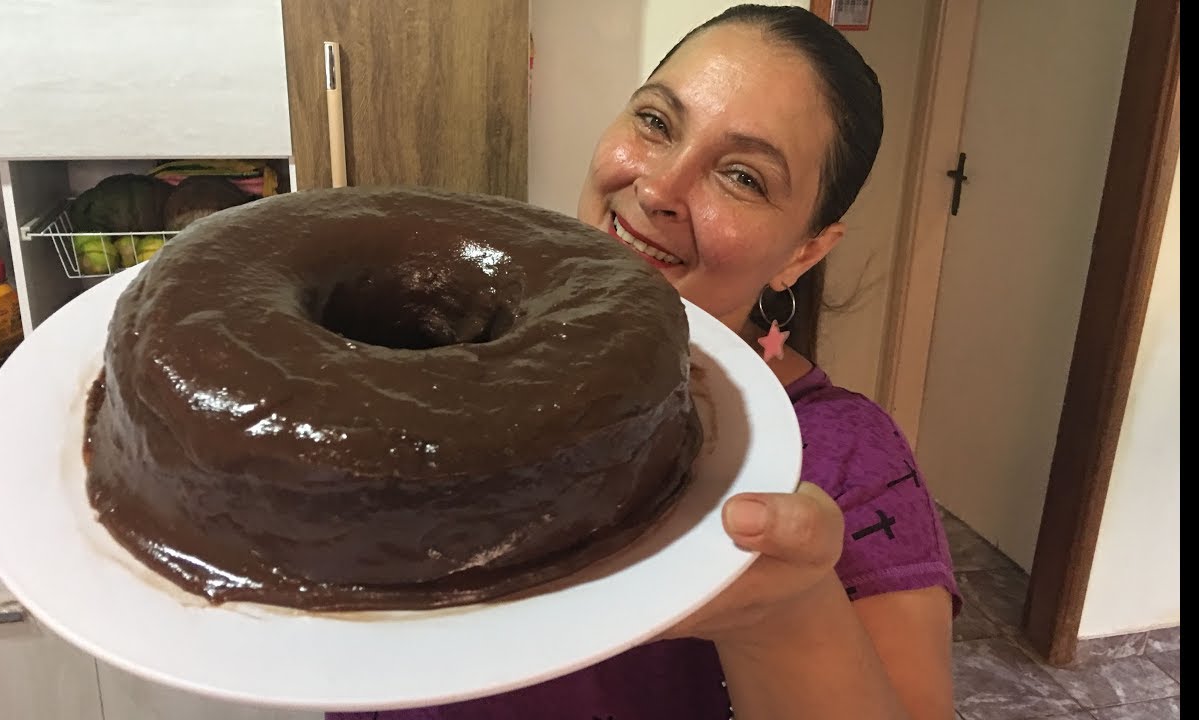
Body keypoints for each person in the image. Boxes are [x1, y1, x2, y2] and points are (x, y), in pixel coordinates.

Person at [331, 5, 960, 719]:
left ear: (803, 252)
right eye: (656, 122)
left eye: (743, 177)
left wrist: (786, 617)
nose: (659, 189)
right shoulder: (426, 351)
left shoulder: (844, 459)